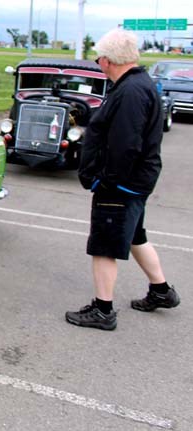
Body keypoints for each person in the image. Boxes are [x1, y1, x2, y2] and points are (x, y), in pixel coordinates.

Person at [65, 28, 180, 330]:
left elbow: (125, 144)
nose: (97, 62)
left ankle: (103, 311)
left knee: (104, 245)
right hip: (135, 181)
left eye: (98, 57)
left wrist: (104, 181)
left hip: (121, 184)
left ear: (107, 60)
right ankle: (161, 291)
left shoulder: (130, 91)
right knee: (134, 236)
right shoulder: (136, 85)